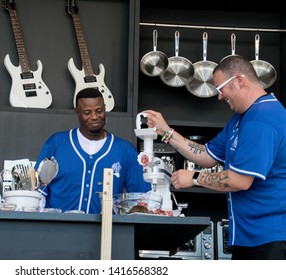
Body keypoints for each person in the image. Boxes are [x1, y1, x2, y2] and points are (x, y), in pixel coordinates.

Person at [143, 55, 286, 260]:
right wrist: (166, 132)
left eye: (221, 89)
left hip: (270, 239)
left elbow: (240, 181)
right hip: (248, 236)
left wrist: (193, 178)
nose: (219, 96)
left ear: (239, 80)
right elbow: (208, 155)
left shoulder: (263, 119)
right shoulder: (242, 118)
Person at [35, 88, 151, 214]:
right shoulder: (56, 143)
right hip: (57, 228)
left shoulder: (125, 150)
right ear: (77, 113)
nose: (94, 116)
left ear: (105, 109)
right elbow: (38, 193)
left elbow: (143, 198)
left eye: (99, 111)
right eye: (87, 112)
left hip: (106, 229)